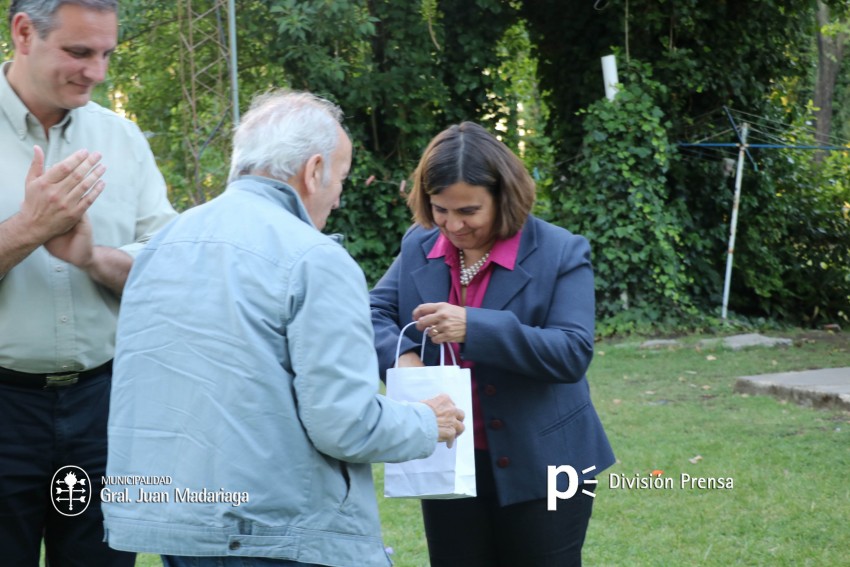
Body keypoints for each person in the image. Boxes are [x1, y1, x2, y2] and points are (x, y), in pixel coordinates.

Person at [102, 89, 465, 567]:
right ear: (314, 171)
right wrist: (425, 421)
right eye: (341, 178)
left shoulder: (160, 246)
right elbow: (346, 424)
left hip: (179, 527)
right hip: (280, 533)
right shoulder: (314, 258)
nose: (338, 198)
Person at [370, 122, 616, 567]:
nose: (452, 225)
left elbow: (572, 352)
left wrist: (473, 326)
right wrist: (403, 358)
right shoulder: (418, 245)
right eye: (440, 209)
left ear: (504, 196)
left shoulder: (560, 251)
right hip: (449, 456)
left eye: (468, 210)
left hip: (549, 463)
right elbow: (372, 313)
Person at [0, 0, 177, 565]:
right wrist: (28, 230)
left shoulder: (122, 140)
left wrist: (92, 257)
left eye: (106, 54)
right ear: (24, 33)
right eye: (79, 51)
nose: (97, 72)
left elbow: (168, 269)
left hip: (105, 409)